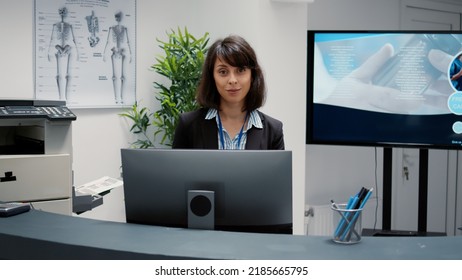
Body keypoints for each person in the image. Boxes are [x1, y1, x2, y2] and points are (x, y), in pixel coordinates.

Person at [172, 35, 284, 150]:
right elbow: (176, 168)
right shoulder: (188, 125)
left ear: (252, 75)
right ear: (212, 77)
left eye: (240, 70)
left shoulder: (273, 131)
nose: (232, 80)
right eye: (223, 72)